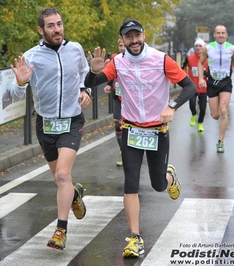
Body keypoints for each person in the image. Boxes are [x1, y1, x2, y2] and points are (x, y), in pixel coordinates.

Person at [84, 18, 196, 258]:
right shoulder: (117, 62)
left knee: (157, 185)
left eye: (137, 35)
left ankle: (168, 176)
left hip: (157, 131)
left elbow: (189, 86)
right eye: (128, 37)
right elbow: (91, 83)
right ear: (123, 40)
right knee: (130, 183)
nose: (133, 41)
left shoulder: (161, 59)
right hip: (131, 130)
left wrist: (172, 106)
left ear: (143, 35)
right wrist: (93, 70)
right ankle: (134, 237)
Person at [9, 7, 90, 251]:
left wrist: (85, 89)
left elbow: (84, 72)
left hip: (72, 120)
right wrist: (21, 81)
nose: (57, 29)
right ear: (40, 29)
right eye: (51, 25)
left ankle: (60, 230)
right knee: (59, 178)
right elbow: (14, 95)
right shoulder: (30, 56)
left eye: (59, 24)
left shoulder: (75, 49)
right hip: (45, 124)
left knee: (63, 175)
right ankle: (74, 194)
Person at [198, 25, 234, 153]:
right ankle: (219, 117)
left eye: (223, 33)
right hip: (212, 82)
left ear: (226, 34)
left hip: (225, 82)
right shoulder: (208, 48)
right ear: (214, 35)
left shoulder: (232, 48)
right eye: (218, 33)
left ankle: (220, 142)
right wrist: (201, 78)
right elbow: (200, 63)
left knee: (223, 110)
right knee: (215, 114)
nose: (221, 35)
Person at [103, 39, 126, 166]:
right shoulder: (114, 58)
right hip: (118, 96)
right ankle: (123, 151)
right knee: (118, 125)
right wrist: (108, 85)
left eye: (124, 45)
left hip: (131, 100)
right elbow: (110, 73)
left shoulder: (135, 59)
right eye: (120, 45)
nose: (122, 47)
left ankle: (131, 151)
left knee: (129, 126)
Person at [181, 38, 208, 132]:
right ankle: (193, 115)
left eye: (200, 46)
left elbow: (211, 73)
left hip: (203, 87)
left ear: (203, 48)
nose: (198, 48)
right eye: (196, 46)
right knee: (192, 104)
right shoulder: (190, 58)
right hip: (192, 87)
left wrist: (205, 73)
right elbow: (183, 68)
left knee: (203, 108)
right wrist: (184, 79)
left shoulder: (207, 59)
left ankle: (200, 123)